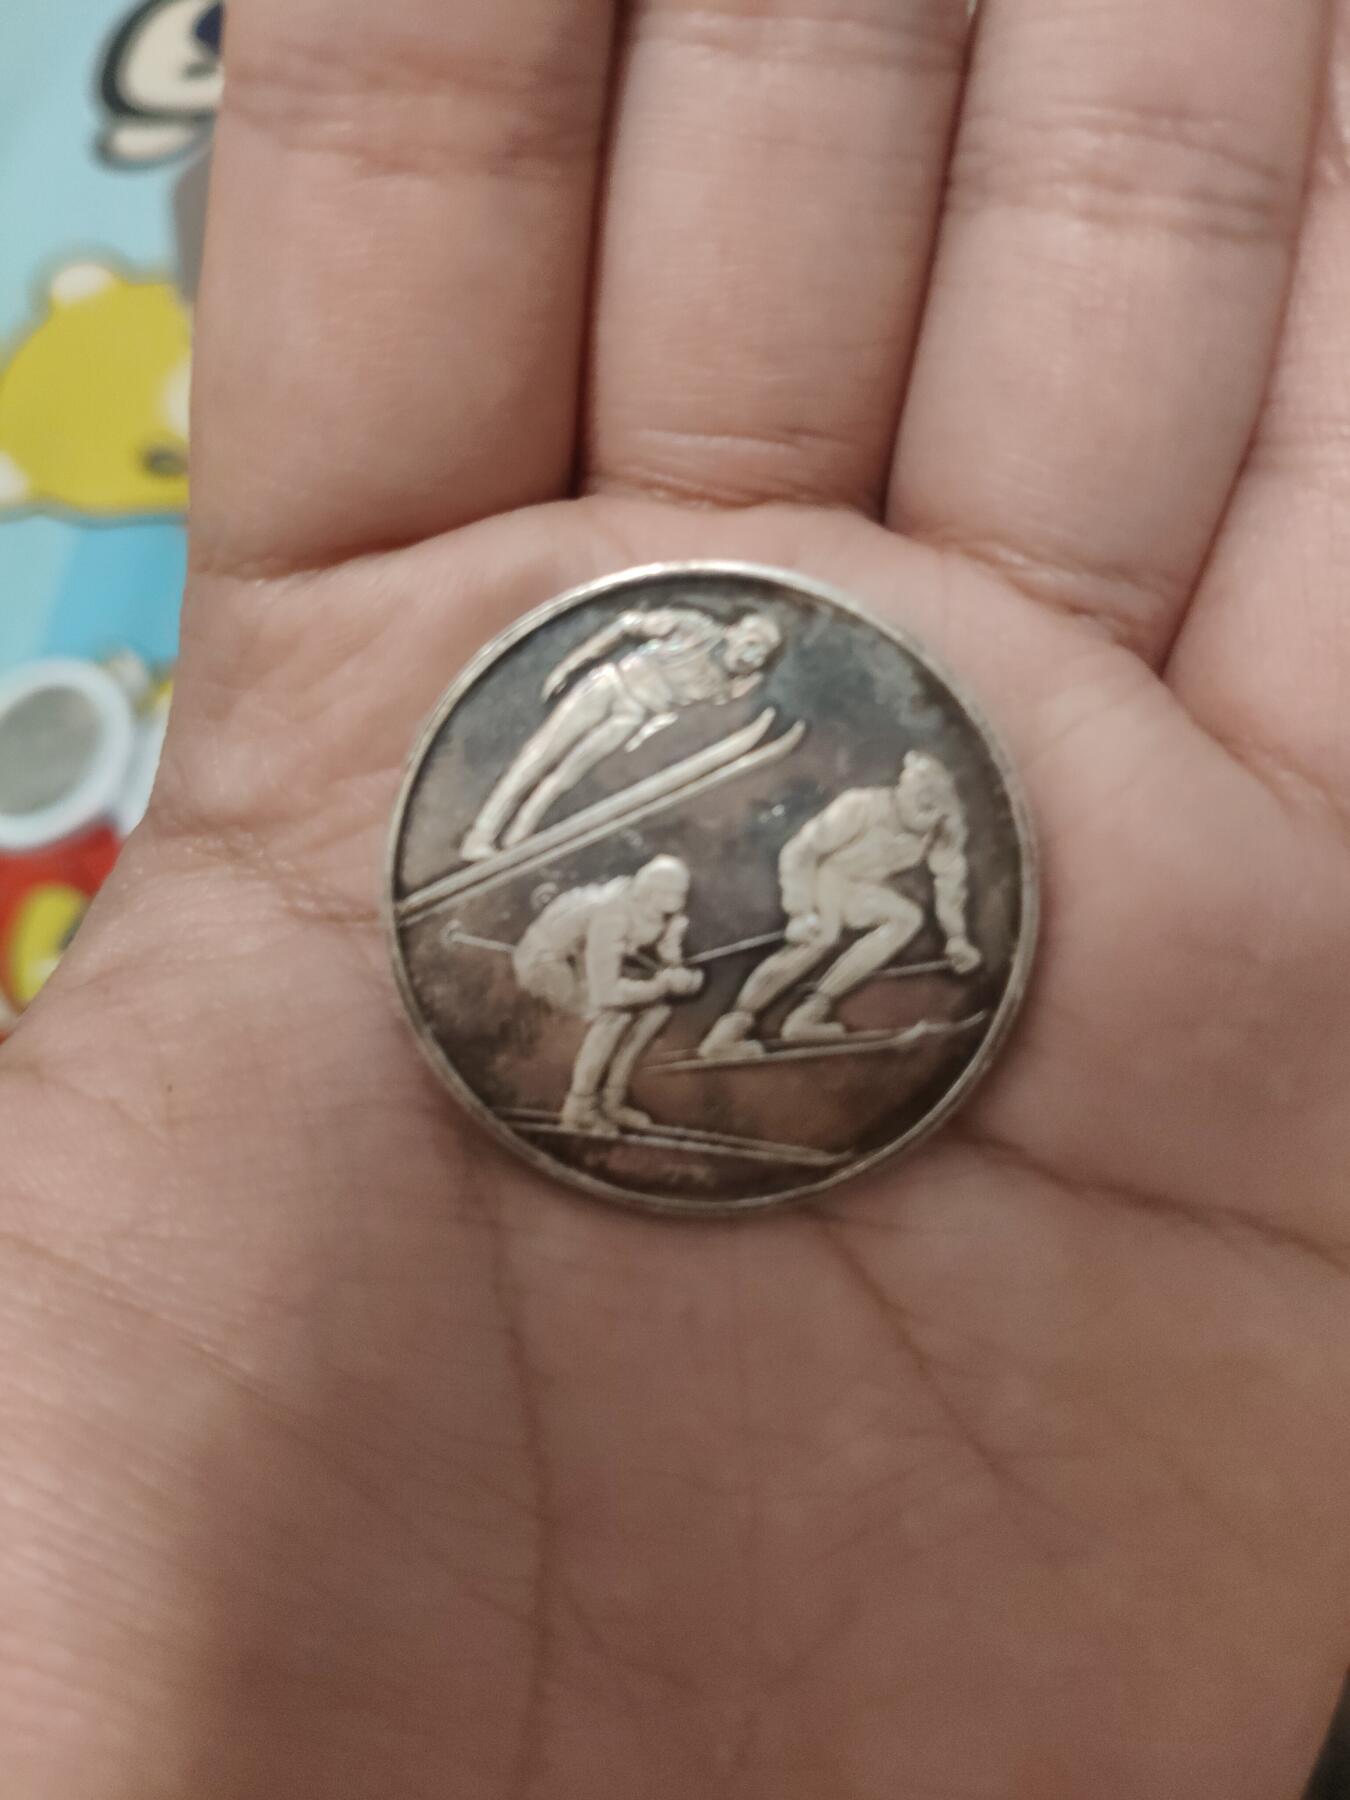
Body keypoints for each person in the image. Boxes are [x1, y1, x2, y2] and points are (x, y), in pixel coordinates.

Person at [6, 1, 1349, 1793]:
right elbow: (608, 768)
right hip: (593, 804)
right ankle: (664, 1000)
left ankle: (719, 1029)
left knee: (723, 984)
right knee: (591, 885)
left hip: (686, 931)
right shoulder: (666, 763)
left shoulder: (810, 790)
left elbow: (843, 869)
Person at [699, 752, 980, 1057]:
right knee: (821, 937)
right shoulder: (861, 806)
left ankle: (808, 1015)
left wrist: (957, 938)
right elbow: (800, 851)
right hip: (825, 876)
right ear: (904, 786)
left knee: (906, 918)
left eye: (934, 806)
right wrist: (800, 910)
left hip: (859, 890)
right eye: (920, 797)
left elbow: (950, 884)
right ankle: (726, 1034)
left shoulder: (941, 831)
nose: (925, 813)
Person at [459, 606, 782, 859]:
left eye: (762, 656)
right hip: (609, 687)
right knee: (538, 757)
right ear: (733, 631)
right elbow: (626, 625)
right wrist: (574, 662)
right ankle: (481, 834)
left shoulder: (722, 686)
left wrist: (744, 688)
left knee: (567, 777)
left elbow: (683, 716)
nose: (752, 657)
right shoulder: (694, 627)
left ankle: (516, 841)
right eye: (753, 643)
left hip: (631, 716)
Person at [513, 855, 703, 1134]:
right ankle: (579, 1108)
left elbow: (666, 959)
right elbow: (607, 992)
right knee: (612, 1017)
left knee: (656, 1012)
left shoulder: (659, 913)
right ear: (651, 891)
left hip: (580, 958)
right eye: (671, 894)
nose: (678, 901)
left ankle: (612, 1099)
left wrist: (679, 970)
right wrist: (662, 985)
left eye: (680, 894)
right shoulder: (613, 914)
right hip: (546, 964)